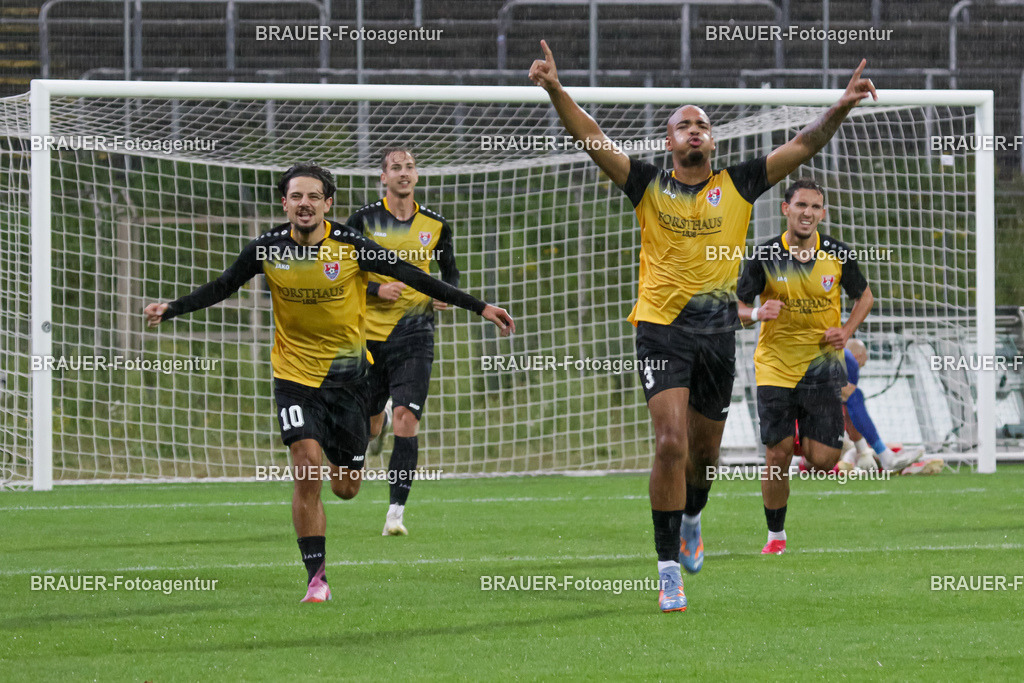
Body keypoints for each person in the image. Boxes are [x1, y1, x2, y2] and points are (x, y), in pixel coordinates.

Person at [529, 39, 877, 611]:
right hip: (660, 328)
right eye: (683, 124)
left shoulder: (739, 183)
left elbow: (804, 143)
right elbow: (592, 138)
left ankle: (693, 517)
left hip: (717, 336)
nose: (694, 129)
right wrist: (556, 89)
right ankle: (668, 568)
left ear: (712, 141)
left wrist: (839, 106)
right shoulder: (646, 184)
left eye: (703, 124)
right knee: (669, 442)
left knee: (704, 457)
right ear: (669, 141)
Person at [143, 162, 514, 603]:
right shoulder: (266, 248)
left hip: (350, 380)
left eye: (314, 197)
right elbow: (222, 286)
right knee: (305, 467)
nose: (305, 204)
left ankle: (371, 425)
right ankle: (316, 580)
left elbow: (415, 277)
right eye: (296, 197)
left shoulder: (352, 246)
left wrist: (481, 307)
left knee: (346, 487)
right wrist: (172, 308)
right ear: (284, 203)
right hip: (294, 377)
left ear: (328, 204)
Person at [737, 178, 903, 556]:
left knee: (823, 457)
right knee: (776, 455)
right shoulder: (764, 255)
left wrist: (846, 331)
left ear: (822, 213)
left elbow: (865, 296)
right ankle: (775, 537)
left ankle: (798, 436)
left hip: (822, 368)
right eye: (801, 205)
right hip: (775, 367)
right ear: (786, 209)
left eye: (815, 207)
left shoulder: (837, 254)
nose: (807, 213)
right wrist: (758, 312)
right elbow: (737, 307)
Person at [346, 148, 460, 536]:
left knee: (406, 419)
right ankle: (368, 438)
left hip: (415, 335)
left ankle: (395, 513)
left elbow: (451, 273)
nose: (404, 173)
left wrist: (448, 293)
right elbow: (341, 276)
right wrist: (377, 289)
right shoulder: (362, 221)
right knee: (372, 427)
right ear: (383, 177)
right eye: (396, 168)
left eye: (410, 167)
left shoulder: (436, 225)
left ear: (416, 176)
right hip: (368, 338)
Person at [837, 339, 933, 473]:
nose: (862, 365)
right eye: (863, 362)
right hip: (824, 435)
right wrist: (862, 450)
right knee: (843, 453)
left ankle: (897, 461)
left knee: (846, 452)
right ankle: (890, 459)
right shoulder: (848, 361)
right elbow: (849, 407)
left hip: (812, 433)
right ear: (859, 356)